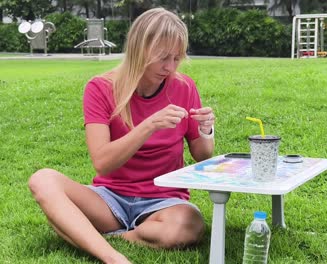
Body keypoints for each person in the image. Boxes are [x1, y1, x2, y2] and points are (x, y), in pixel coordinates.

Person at [28, 7, 215, 264]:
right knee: (42, 180)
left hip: (164, 202)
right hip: (109, 200)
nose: (170, 67)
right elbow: (102, 162)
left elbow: (202, 154)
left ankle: (101, 235)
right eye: (163, 58)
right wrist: (148, 125)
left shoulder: (184, 86)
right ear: (139, 48)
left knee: (187, 225)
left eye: (177, 58)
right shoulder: (100, 88)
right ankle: (113, 257)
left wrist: (206, 129)